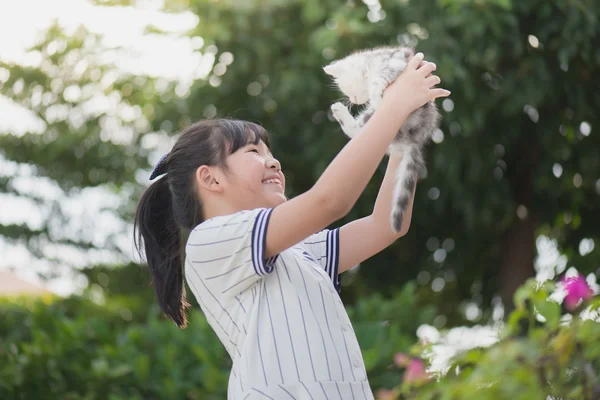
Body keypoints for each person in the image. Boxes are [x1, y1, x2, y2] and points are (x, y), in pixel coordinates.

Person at [134, 52, 449, 399]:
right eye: (253, 152)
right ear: (210, 178)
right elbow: (329, 200)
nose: (274, 161)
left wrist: (404, 133)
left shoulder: (296, 251)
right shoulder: (209, 241)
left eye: (270, 151)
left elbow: (386, 225)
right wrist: (391, 108)